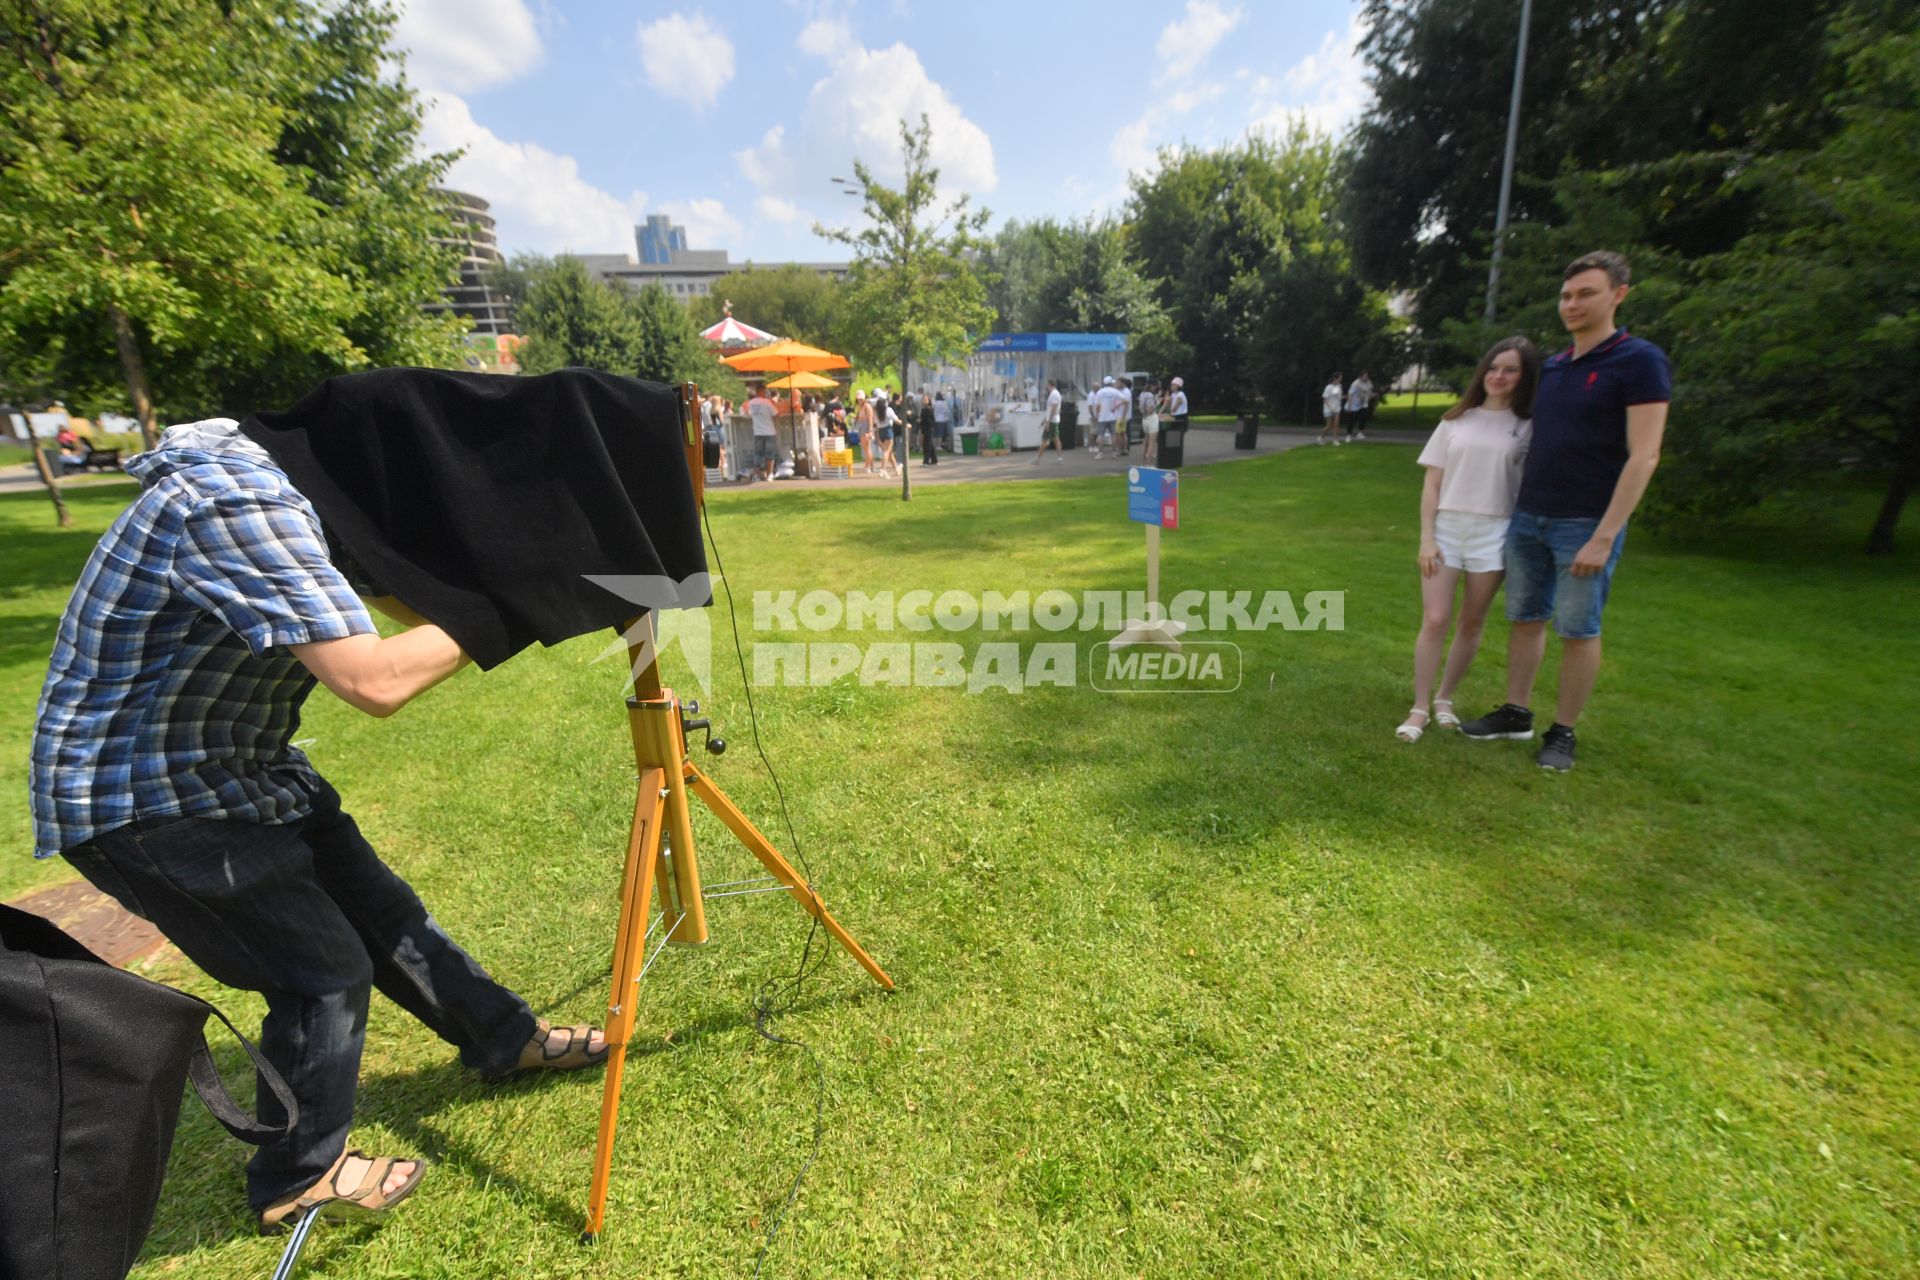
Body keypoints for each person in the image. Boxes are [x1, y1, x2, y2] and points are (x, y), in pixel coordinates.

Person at [27, 417, 608, 1233]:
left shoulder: (303, 489)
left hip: (244, 770)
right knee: (320, 971)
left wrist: (536, 583)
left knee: (383, 916)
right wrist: (527, 599)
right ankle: (297, 1177)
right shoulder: (236, 502)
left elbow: (398, 600)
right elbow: (371, 679)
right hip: (144, 796)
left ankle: (503, 1038)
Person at [1460, 251, 1671, 771]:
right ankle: (1516, 712)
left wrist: (1605, 534)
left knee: (1578, 627)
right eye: (1566, 295)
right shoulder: (1553, 368)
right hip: (1529, 516)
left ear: (1618, 294)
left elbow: (1645, 454)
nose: (1572, 304)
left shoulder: (1638, 361)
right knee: (1526, 618)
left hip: (1586, 522)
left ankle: (1564, 731)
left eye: (1586, 294)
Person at [1397, 337, 1539, 742]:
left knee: (1472, 621)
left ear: (1524, 376)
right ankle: (1420, 706)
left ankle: (1445, 698)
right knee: (1435, 619)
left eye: (1510, 369)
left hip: (1494, 532)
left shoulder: (1528, 426)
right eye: (1494, 367)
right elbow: (1432, 484)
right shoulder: (1456, 419)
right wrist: (1427, 538)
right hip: (1447, 528)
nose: (1499, 376)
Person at [745, 384, 779, 481]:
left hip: (757, 431)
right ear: (763, 391)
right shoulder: (767, 402)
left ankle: (756, 475)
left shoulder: (751, 403)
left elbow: (748, 413)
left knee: (758, 454)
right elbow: (776, 414)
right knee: (770, 454)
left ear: (756, 391)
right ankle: (769, 474)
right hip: (769, 431)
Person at [1034, 379, 1065, 463]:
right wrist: (1044, 422)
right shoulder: (1054, 394)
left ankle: (1038, 458)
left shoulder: (1054, 394)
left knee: (1047, 440)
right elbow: (1050, 410)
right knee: (1054, 439)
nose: (1046, 387)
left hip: (1052, 421)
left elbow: (1053, 409)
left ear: (1049, 384)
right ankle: (1059, 458)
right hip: (1053, 420)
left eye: (1047, 385)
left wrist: (1048, 422)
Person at [1345, 372, 1375, 441]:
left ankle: (1360, 433)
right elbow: (1350, 394)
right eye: (1365, 376)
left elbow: (1369, 392)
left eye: (1367, 376)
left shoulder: (1369, 382)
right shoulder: (1355, 384)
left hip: (1364, 404)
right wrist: (1349, 406)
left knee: (1363, 417)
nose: (1366, 377)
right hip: (1355, 404)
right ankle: (1348, 435)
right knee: (1352, 420)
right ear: (1360, 377)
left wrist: (1372, 395)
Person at [1138, 379, 1161, 465]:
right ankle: (1149, 464)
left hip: (1144, 419)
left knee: (1145, 442)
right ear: (1152, 386)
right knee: (1152, 443)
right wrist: (1157, 402)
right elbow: (1150, 409)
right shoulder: (1151, 395)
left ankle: (1143, 463)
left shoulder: (1142, 394)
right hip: (1152, 418)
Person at [1318, 373, 1345, 445]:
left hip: (1337, 408)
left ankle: (1335, 440)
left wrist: (1345, 397)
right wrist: (1331, 408)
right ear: (1335, 379)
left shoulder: (1340, 386)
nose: (1341, 379)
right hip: (1328, 409)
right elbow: (1325, 399)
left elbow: (1339, 397)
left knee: (1336, 424)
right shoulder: (1328, 387)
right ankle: (1321, 437)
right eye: (1340, 378)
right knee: (1328, 426)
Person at [917, 391, 938, 466]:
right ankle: (934, 459)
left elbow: (930, 420)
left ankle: (926, 461)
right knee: (929, 444)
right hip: (925, 428)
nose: (924, 401)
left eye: (925, 399)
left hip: (928, 428)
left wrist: (921, 420)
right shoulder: (924, 409)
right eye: (923, 399)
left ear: (929, 401)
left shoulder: (928, 409)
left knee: (927, 445)